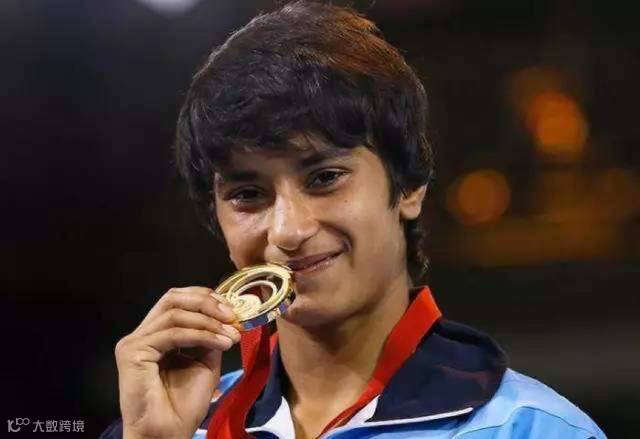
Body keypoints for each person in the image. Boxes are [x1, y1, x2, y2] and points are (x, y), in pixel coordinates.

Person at [101, 2, 606, 438]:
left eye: (324, 178)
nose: (288, 231)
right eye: (248, 195)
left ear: (408, 184)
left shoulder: (531, 429)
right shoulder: (173, 425)